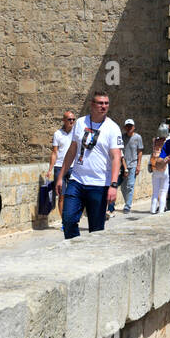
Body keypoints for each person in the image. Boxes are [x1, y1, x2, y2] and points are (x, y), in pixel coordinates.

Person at [55, 91, 124, 239]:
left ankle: (94, 258)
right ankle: (75, 249)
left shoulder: (112, 128)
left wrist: (113, 185)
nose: (103, 106)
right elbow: (72, 150)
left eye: (106, 103)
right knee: (68, 220)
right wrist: (61, 176)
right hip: (77, 181)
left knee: (96, 230)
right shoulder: (80, 123)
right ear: (92, 105)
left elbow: (116, 157)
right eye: (100, 103)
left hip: (99, 185)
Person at [112, 118, 143, 214]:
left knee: (130, 185)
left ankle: (127, 206)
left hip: (133, 164)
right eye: (127, 126)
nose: (129, 128)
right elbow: (120, 152)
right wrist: (124, 167)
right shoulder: (122, 137)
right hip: (123, 164)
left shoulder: (138, 138)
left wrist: (138, 165)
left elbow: (140, 152)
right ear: (125, 127)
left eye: (131, 126)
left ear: (134, 127)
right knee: (123, 187)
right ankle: (127, 202)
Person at [50, 110, 76, 216]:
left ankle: (72, 218)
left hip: (73, 167)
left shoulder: (76, 133)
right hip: (59, 167)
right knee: (61, 195)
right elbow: (54, 152)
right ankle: (64, 222)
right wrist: (50, 169)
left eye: (73, 119)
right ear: (63, 120)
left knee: (73, 195)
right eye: (69, 119)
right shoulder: (57, 134)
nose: (72, 121)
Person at [149, 122, 170, 214]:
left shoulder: (154, 141)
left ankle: (152, 210)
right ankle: (161, 211)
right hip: (165, 169)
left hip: (155, 168)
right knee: (163, 191)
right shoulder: (168, 142)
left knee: (155, 192)